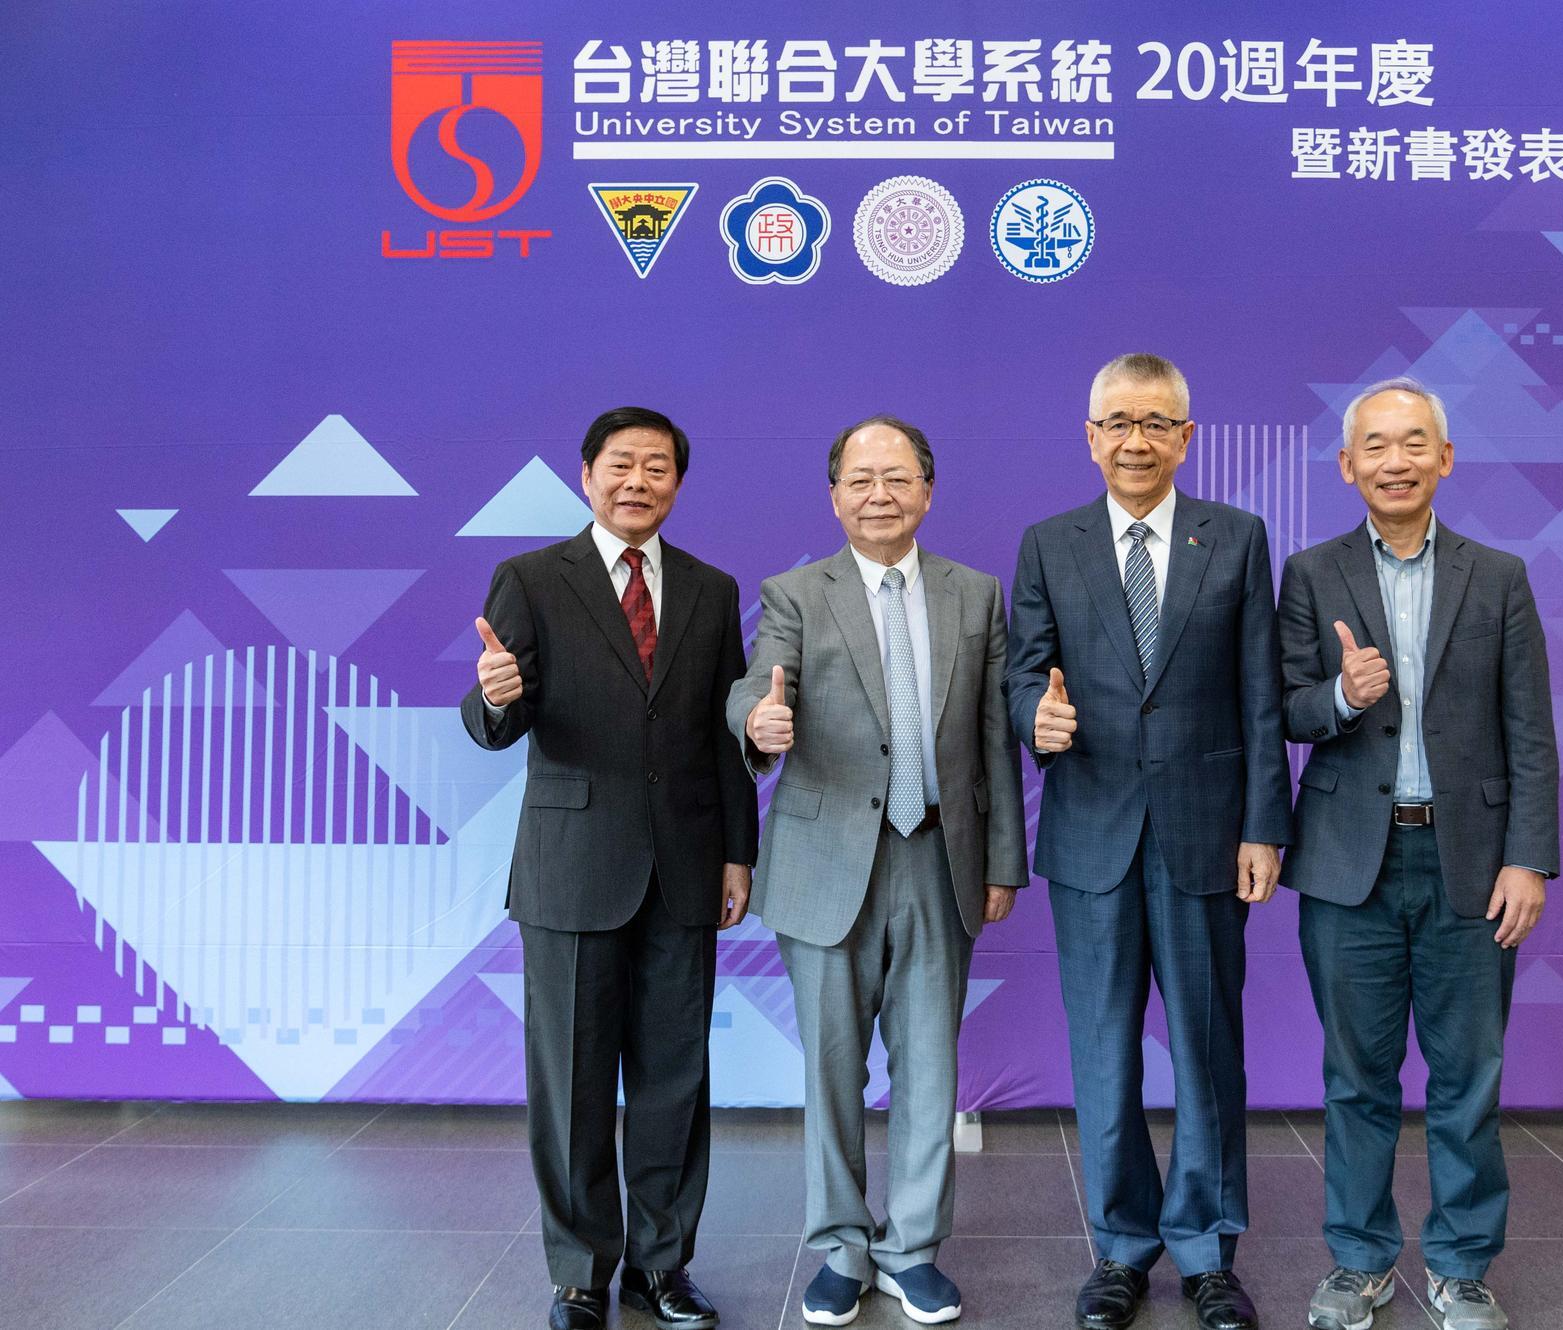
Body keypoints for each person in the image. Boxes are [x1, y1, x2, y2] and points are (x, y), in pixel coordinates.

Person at [1004, 354, 1291, 1330]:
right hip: (1090, 836)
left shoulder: (1238, 538)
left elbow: (1260, 692)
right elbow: (1022, 669)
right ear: (1090, 436)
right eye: (1117, 421)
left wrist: (1264, 824)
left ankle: (1209, 1250)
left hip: (1208, 835)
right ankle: (1123, 1246)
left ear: (1186, 436)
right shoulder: (1050, 543)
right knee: (1102, 1053)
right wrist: (1029, 718)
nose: (1135, 439)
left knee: (1210, 1048)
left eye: (1155, 421)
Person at [726, 415, 1028, 1327]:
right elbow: (757, 683)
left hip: (940, 856)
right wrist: (756, 724)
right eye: (859, 480)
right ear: (833, 496)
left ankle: (912, 1250)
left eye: (896, 478)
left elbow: (989, 741)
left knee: (930, 1070)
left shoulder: (974, 595)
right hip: (824, 867)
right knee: (830, 1071)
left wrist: (1003, 859)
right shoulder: (795, 593)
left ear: (927, 491)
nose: (878, 496)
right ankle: (841, 1249)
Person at [461, 407, 758, 1330]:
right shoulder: (531, 579)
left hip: (684, 868)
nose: (638, 481)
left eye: (657, 468)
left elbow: (723, 733)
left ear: (677, 483)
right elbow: (496, 717)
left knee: (675, 1078)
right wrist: (492, 696)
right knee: (573, 1082)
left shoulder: (710, 590)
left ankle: (662, 1269)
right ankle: (581, 1273)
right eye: (620, 465)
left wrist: (738, 852)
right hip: (571, 868)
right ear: (585, 475)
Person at [1276, 378, 1559, 1330]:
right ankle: (1359, 1264)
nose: (1393, 462)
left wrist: (1529, 859)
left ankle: (1460, 1266)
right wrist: (1343, 696)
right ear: (1347, 464)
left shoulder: (1499, 577)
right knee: (1354, 1077)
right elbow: (1283, 708)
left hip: (1471, 867)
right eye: (1374, 447)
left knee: (1466, 1075)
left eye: (1413, 444)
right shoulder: (1311, 575)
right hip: (1348, 864)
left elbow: (1530, 733)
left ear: (1443, 459)